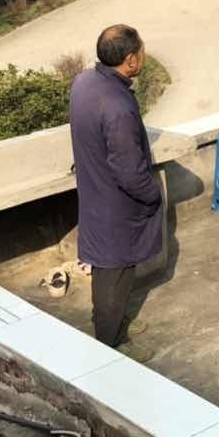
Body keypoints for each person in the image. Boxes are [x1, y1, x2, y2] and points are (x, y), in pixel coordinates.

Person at [69, 25, 163, 347]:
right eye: (142, 51)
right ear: (131, 60)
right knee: (114, 275)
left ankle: (115, 321)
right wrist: (153, 194)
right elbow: (130, 173)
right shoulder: (117, 106)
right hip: (115, 207)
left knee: (107, 272)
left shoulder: (85, 82)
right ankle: (110, 344)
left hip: (95, 193)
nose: (144, 56)